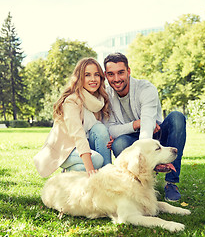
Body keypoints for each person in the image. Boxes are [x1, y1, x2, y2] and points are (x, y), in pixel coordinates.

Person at [104, 52, 186, 202]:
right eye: (111, 74)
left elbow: (147, 127)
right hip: (131, 137)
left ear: (128, 71)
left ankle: (171, 183)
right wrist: (135, 124)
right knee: (119, 143)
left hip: (155, 135)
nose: (116, 79)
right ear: (106, 75)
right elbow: (111, 129)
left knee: (177, 118)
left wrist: (147, 155)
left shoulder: (146, 88)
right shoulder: (106, 95)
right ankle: (134, 182)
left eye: (121, 72)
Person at [34, 57, 111, 178]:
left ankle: (108, 178)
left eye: (97, 75)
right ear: (80, 78)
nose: (93, 79)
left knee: (100, 129)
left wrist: (108, 136)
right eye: (87, 75)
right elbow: (78, 136)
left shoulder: (99, 101)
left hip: (85, 148)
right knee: (96, 160)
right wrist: (91, 170)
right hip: (65, 150)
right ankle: (71, 175)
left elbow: (99, 131)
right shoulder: (71, 102)